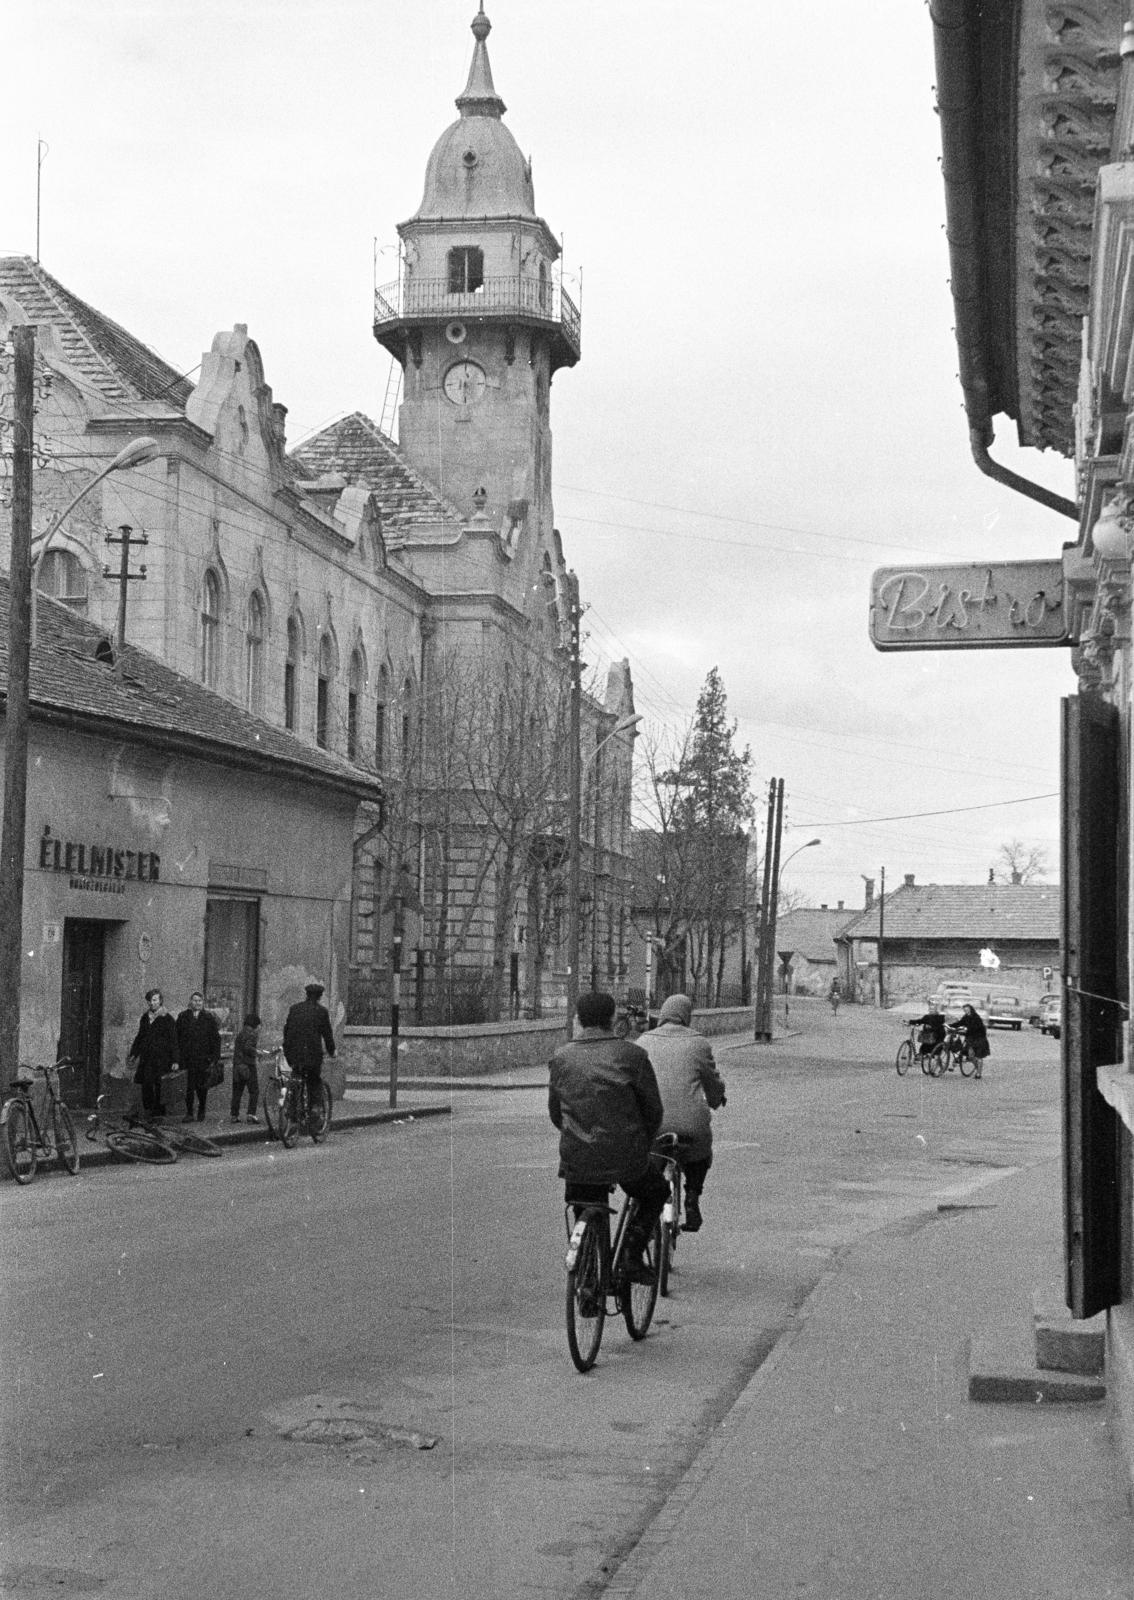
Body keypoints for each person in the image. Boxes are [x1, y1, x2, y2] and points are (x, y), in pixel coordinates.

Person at [548, 990, 669, 1282]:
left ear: (578, 1018)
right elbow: (653, 1111)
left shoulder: (561, 1058)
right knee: (657, 1193)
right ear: (613, 1018)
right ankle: (631, 1255)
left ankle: (587, 1284)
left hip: (578, 1159)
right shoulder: (633, 1055)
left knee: (584, 1207)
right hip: (625, 1156)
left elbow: (556, 1114)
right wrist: (642, 1144)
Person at [637, 994, 726, 1233]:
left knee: (650, 1166)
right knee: (701, 1154)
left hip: (653, 1124)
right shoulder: (699, 1043)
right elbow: (712, 1082)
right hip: (691, 1125)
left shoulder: (643, 1041)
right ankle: (692, 1196)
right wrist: (717, 1100)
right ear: (687, 1015)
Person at [283, 980, 336, 1124]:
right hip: (312, 1055)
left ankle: (292, 1109)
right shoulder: (321, 1012)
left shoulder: (294, 1009)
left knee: (296, 1078)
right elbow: (327, 1035)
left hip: (293, 1053)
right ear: (319, 997)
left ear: (306, 995)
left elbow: (286, 1030)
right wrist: (332, 1051)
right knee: (314, 1081)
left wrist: (288, 1048)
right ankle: (314, 1109)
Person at [128, 988, 178, 1119]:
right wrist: (134, 1054)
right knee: (146, 1085)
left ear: (160, 1001)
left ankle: (158, 1114)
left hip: (162, 1059)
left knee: (159, 1086)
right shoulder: (145, 1018)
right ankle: (149, 1111)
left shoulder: (167, 1019)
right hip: (146, 1058)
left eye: (155, 1000)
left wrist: (175, 1061)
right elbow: (140, 1037)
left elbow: (174, 1041)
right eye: (149, 1001)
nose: (152, 1003)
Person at [176, 990, 222, 1123]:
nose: (197, 1003)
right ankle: (189, 1112)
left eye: (200, 1001)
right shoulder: (183, 1017)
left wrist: (214, 1058)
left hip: (203, 1059)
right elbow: (177, 1038)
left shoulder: (208, 1018)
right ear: (190, 1002)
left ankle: (201, 1109)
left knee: (202, 1086)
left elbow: (215, 1039)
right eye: (195, 1000)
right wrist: (177, 1058)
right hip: (188, 1059)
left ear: (203, 1003)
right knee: (188, 1087)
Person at [230, 1012, 263, 1124]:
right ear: (255, 1024)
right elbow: (247, 1047)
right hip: (248, 1066)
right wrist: (257, 1052)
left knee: (237, 1092)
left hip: (237, 1065)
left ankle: (234, 1115)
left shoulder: (241, 1033)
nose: (259, 1027)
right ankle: (251, 1114)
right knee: (254, 1091)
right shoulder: (252, 1034)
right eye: (259, 1025)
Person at [950, 1002, 990, 1078]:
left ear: (971, 1009)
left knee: (979, 1056)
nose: (966, 1011)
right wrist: (951, 1026)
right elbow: (960, 1023)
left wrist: (967, 1030)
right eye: (964, 1010)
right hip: (971, 1039)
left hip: (979, 1039)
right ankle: (977, 1067)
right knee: (971, 1056)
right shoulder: (966, 1017)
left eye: (967, 1009)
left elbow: (976, 1028)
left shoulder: (976, 1017)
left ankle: (979, 1073)